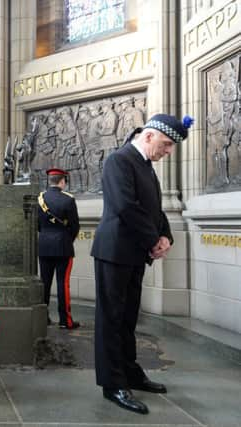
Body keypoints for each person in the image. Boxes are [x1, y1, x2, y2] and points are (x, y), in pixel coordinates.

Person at [91, 114, 193, 414]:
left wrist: (165, 235)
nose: (168, 151)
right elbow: (125, 206)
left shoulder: (146, 166)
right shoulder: (119, 161)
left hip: (134, 252)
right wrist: (152, 240)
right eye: (166, 144)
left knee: (127, 318)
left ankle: (130, 372)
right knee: (111, 320)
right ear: (148, 136)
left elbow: (153, 209)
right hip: (114, 251)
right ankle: (112, 384)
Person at [37, 168, 80, 329]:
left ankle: (43, 318)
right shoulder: (68, 200)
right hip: (63, 246)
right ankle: (65, 321)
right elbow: (75, 226)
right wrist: (67, 239)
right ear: (62, 181)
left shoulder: (40, 199)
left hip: (44, 246)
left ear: (50, 181)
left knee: (45, 284)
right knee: (63, 284)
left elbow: (38, 225)